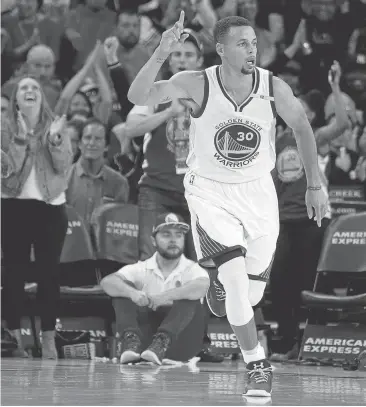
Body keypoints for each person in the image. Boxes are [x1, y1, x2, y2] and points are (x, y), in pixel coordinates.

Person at [128, 12, 328, 397]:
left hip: (258, 195)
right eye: (242, 43)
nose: (251, 49)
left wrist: (314, 185)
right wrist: (160, 53)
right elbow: (138, 96)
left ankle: (222, 287)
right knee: (237, 282)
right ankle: (257, 364)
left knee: (248, 297)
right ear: (221, 49)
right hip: (210, 192)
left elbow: (302, 127)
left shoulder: (273, 86)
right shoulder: (196, 83)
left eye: (253, 43)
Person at [270, 61, 349, 361]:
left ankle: (310, 342)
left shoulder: (312, 136)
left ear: (310, 115)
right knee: (279, 281)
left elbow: (342, 124)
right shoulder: (275, 141)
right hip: (282, 221)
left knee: (307, 281)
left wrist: (335, 87)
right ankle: (288, 341)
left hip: (312, 219)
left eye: (298, 105)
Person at [1, 76, 73, 358]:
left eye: (35, 88)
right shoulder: (4, 129)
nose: (30, 91)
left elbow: (64, 165)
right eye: (23, 88)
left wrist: (55, 140)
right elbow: (7, 171)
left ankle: (48, 340)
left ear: (42, 98)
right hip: (13, 207)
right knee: (14, 273)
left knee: (49, 275)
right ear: (16, 99)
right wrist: (20, 138)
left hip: (50, 208)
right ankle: (15, 339)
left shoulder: (56, 126)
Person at [100, 212, 210, 365]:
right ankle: (131, 342)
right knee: (122, 289)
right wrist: (132, 293)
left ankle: (162, 342)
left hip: (181, 344)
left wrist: (165, 296)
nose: (173, 240)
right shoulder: (141, 268)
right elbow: (107, 282)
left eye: (178, 235)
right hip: (145, 345)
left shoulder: (193, 269)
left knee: (189, 294)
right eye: (166, 234)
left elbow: (203, 286)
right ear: (153, 240)